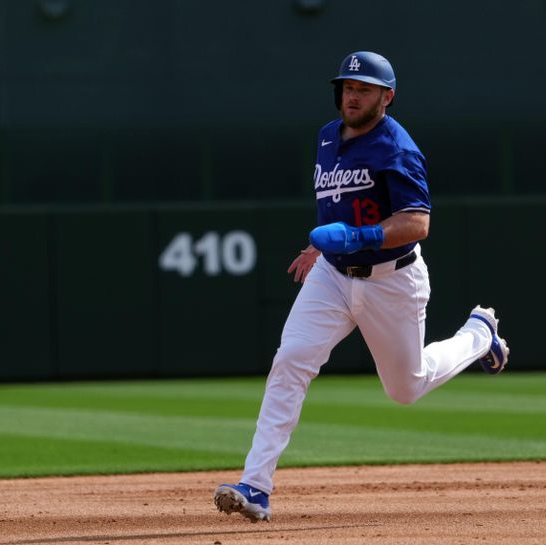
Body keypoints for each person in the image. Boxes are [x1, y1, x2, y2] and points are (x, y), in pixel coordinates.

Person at [213, 51, 509, 522]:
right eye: (348, 87)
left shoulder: (398, 148)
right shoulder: (328, 137)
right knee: (290, 361)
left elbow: (417, 222)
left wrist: (360, 236)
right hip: (332, 275)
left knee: (405, 389)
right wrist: (322, 248)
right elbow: (338, 203)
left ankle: (478, 334)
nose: (352, 95)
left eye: (364, 89)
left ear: (386, 97)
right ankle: (256, 485)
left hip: (392, 281)